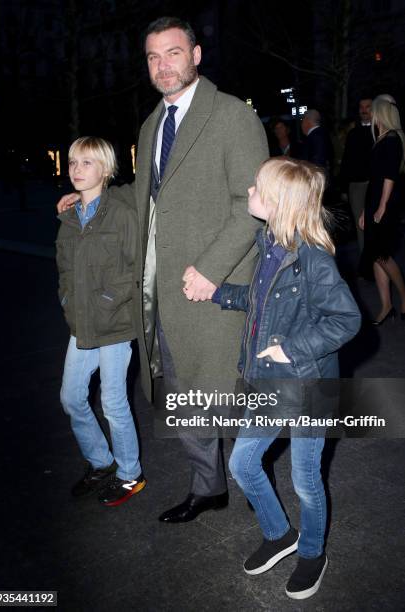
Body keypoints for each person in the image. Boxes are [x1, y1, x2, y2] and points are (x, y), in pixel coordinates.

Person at [57, 17, 269, 523]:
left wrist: (213, 271)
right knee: (185, 391)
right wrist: (93, 195)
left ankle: (267, 498)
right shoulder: (153, 123)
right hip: (165, 290)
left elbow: (252, 204)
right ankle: (208, 486)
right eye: (153, 57)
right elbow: (150, 196)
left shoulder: (232, 116)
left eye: (173, 53)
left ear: (196, 55)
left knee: (230, 396)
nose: (162, 65)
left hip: (218, 288)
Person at [212, 157, 361, 599]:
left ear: (278, 202)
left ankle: (312, 551)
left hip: (309, 384)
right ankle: (279, 534)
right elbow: (261, 303)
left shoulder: (312, 258)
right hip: (271, 382)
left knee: (305, 479)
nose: (250, 191)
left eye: (257, 187)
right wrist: (219, 292)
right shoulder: (270, 243)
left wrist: (291, 348)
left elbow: (347, 319)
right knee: (242, 463)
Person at [56, 136, 145, 507]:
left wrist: (108, 302)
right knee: (71, 398)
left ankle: (129, 474)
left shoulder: (121, 214)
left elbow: (134, 268)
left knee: (112, 401)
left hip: (114, 324)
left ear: (105, 170)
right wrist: (67, 301)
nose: (77, 169)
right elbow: (63, 269)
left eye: (87, 163)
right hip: (82, 324)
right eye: (74, 162)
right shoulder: (68, 218)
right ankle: (101, 461)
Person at [359, 94, 405, 324]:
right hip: (374, 201)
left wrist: (381, 207)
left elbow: (390, 177)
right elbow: (376, 178)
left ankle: (404, 296)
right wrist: (364, 212)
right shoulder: (383, 139)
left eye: (374, 111)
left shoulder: (392, 139)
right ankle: (386, 305)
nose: (372, 115)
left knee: (383, 254)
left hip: (384, 202)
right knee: (376, 255)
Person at [340, 98, 374, 253]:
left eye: (367, 107)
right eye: (361, 107)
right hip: (356, 186)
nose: (364, 110)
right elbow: (347, 161)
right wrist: (344, 188)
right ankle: (366, 263)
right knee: (360, 226)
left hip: (375, 184)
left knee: (375, 223)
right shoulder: (353, 133)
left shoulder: (380, 130)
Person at [300, 109, 333, 177]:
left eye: (302, 121)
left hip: (315, 178)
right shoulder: (322, 134)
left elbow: (317, 161)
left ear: (307, 121)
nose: (301, 124)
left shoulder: (315, 136)